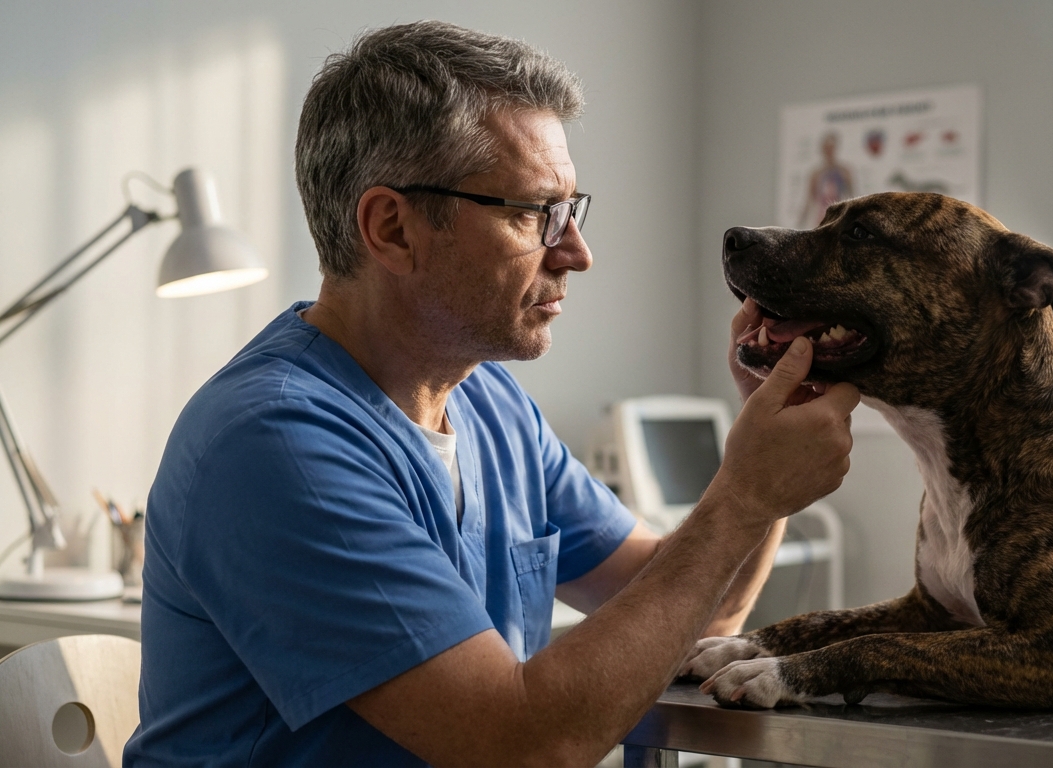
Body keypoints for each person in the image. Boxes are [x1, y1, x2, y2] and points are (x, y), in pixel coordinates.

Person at [124, 21, 859, 767]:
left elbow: (700, 611)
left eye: (573, 210)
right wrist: (742, 498)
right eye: (535, 213)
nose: (576, 252)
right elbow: (519, 745)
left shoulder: (492, 406)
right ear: (392, 228)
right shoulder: (277, 444)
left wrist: (761, 450)